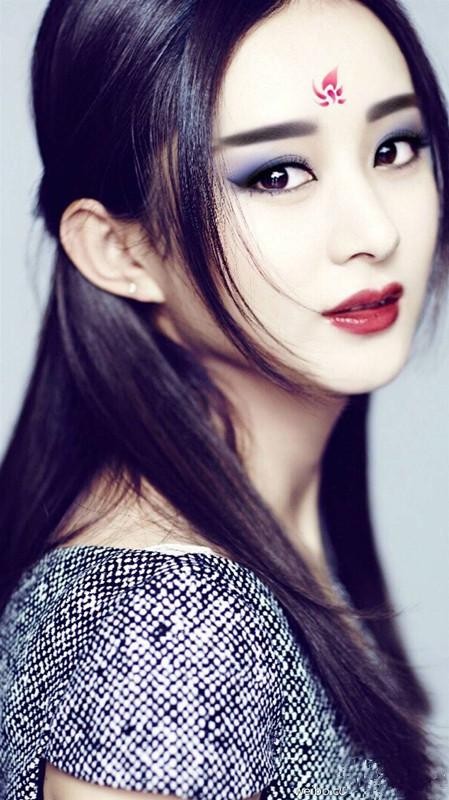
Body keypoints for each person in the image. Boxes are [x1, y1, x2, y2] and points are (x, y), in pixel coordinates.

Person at [0, 0, 448, 798]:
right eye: (276, 174)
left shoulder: (263, 521)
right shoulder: (167, 621)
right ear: (121, 250)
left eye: (393, 147)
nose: (373, 232)